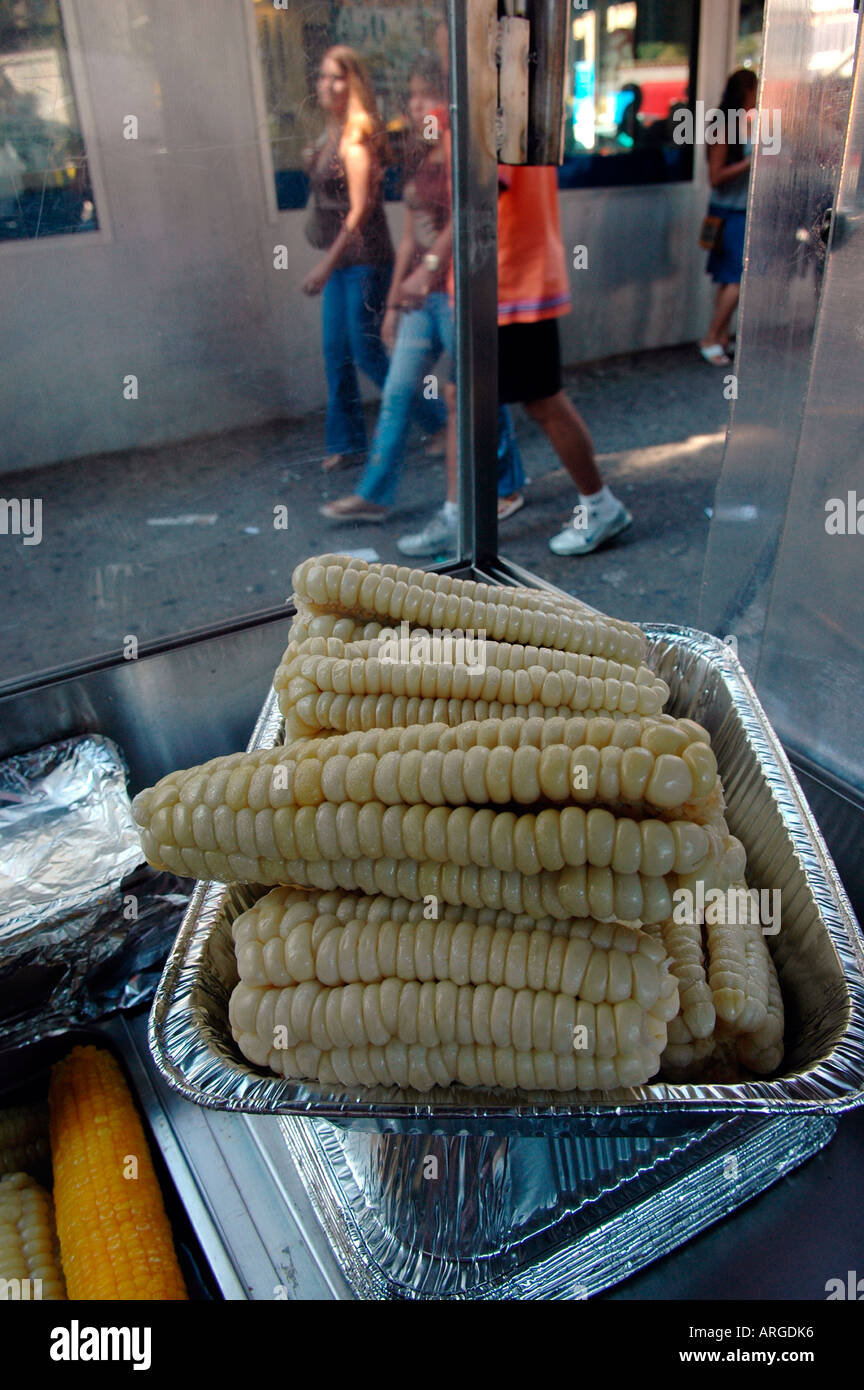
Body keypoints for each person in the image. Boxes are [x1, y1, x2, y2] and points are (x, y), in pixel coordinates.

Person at [398, 165, 630, 558]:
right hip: (497, 282)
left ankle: (600, 507)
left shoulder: (497, 105)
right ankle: (458, 515)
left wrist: (428, 266)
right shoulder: (489, 110)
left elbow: (480, 196)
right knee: (462, 398)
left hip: (512, 282)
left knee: (543, 402)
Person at [318, 56, 452, 520]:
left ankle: (502, 488)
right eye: (412, 95)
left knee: (474, 398)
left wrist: (430, 269)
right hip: (419, 293)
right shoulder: (418, 151)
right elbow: (412, 233)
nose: (417, 105)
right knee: (396, 390)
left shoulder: (462, 151)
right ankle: (374, 494)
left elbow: (467, 219)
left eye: (428, 95)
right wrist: (395, 303)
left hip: (454, 290)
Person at [301, 46, 395, 472]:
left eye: (337, 77)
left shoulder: (355, 141)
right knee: (333, 351)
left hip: (364, 260)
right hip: (343, 263)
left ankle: (438, 422)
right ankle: (348, 442)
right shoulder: (329, 135)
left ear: (353, 83)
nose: (327, 84)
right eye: (322, 76)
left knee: (366, 352)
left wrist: (324, 264)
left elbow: (357, 213)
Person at [699, 68, 758, 367]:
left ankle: (721, 336)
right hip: (728, 213)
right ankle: (711, 336)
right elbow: (715, 177)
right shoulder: (723, 128)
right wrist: (751, 162)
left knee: (728, 278)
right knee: (735, 277)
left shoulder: (745, 125)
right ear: (745, 93)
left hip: (736, 211)